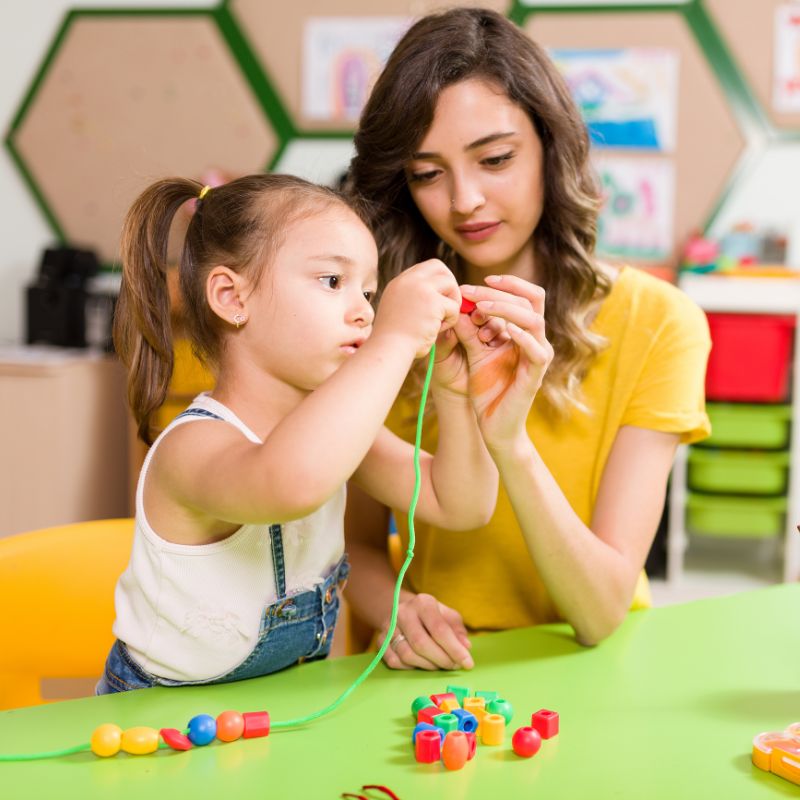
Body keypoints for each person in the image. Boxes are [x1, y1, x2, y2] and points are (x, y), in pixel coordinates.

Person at [344, 7, 711, 669]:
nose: (465, 201)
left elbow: (601, 612)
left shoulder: (660, 323)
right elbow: (357, 548)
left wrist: (507, 440)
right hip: (433, 674)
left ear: (552, 144)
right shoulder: (387, 323)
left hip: (590, 670)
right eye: (428, 174)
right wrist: (394, 608)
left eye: (495, 159)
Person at [97, 172, 505, 693]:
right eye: (333, 282)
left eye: (370, 292)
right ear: (231, 297)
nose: (364, 312)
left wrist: (454, 390)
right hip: (159, 729)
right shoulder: (192, 448)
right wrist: (395, 338)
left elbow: (463, 503)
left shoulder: (333, 432)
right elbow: (288, 483)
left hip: (277, 713)